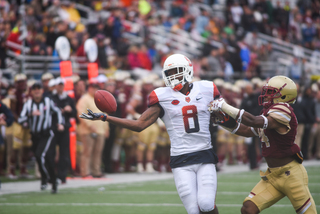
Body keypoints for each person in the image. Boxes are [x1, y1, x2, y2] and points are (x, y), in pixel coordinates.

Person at [80, 54, 220, 214]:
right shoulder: (162, 96)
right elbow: (139, 125)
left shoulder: (207, 89)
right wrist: (106, 117)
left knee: (207, 203)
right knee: (193, 211)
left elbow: (226, 116)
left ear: (188, 70)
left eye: (177, 71)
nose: (173, 76)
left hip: (204, 155)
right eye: (170, 72)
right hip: (181, 159)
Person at [208, 75, 317, 214]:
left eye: (271, 92)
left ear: (284, 96)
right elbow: (247, 130)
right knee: (248, 208)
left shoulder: (284, 110)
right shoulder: (269, 112)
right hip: (272, 175)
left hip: (291, 175)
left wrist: (224, 106)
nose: (265, 95)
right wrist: (222, 121)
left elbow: (253, 121)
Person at [18, 82, 64, 194]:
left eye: (38, 89)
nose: (36, 91)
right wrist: (30, 115)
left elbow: (57, 111)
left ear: (42, 91)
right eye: (34, 89)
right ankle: (53, 182)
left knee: (40, 155)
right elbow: (20, 119)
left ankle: (45, 179)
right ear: (32, 92)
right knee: (47, 159)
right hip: (34, 135)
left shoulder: (48, 102)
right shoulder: (28, 104)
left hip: (46, 134)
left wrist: (60, 123)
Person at [76, 79, 109, 178]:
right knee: (87, 151)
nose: (94, 90)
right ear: (89, 88)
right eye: (92, 88)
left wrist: (106, 128)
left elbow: (105, 114)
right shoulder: (84, 99)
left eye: (96, 88)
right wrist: (90, 125)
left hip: (100, 130)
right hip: (88, 131)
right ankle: (85, 172)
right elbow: (81, 114)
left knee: (98, 152)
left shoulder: (100, 100)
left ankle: (96, 171)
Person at [51, 77, 77, 184]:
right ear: (55, 86)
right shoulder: (51, 98)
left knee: (64, 153)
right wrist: (59, 110)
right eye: (59, 85)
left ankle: (62, 176)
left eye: (62, 85)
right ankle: (51, 175)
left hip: (65, 128)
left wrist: (69, 110)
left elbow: (75, 113)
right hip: (53, 128)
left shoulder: (68, 99)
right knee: (51, 153)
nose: (60, 87)